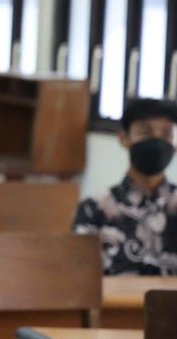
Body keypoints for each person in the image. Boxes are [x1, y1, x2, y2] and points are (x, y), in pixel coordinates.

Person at [73, 97, 177, 275]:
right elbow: (79, 277)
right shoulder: (94, 209)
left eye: (166, 134)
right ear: (124, 138)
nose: (156, 142)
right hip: (112, 303)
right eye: (145, 132)